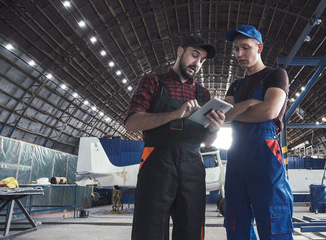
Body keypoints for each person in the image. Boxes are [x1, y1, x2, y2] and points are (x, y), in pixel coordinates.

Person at [125, 35, 225, 240]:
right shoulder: (153, 82)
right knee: (149, 228)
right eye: (194, 55)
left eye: (202, 60)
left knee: (191, 228)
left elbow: (206, 142)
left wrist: (215, 129)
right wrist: (174, 114)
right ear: (180, 52)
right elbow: (132, 122)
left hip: (192, 165)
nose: (197, 64)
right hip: (157, 163)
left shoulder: (203, 95)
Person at [223, 25, 294, 240]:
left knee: (273, 219)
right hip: (236, 157)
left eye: (245, 48)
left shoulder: (276, 75)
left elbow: (269, 111)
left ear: (259, 47)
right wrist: (251, 104)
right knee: (236, 220)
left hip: (265, 156)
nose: (239, 54)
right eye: (236, 49)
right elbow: (223, 116)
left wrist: (238, 110)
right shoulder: (236, 85)